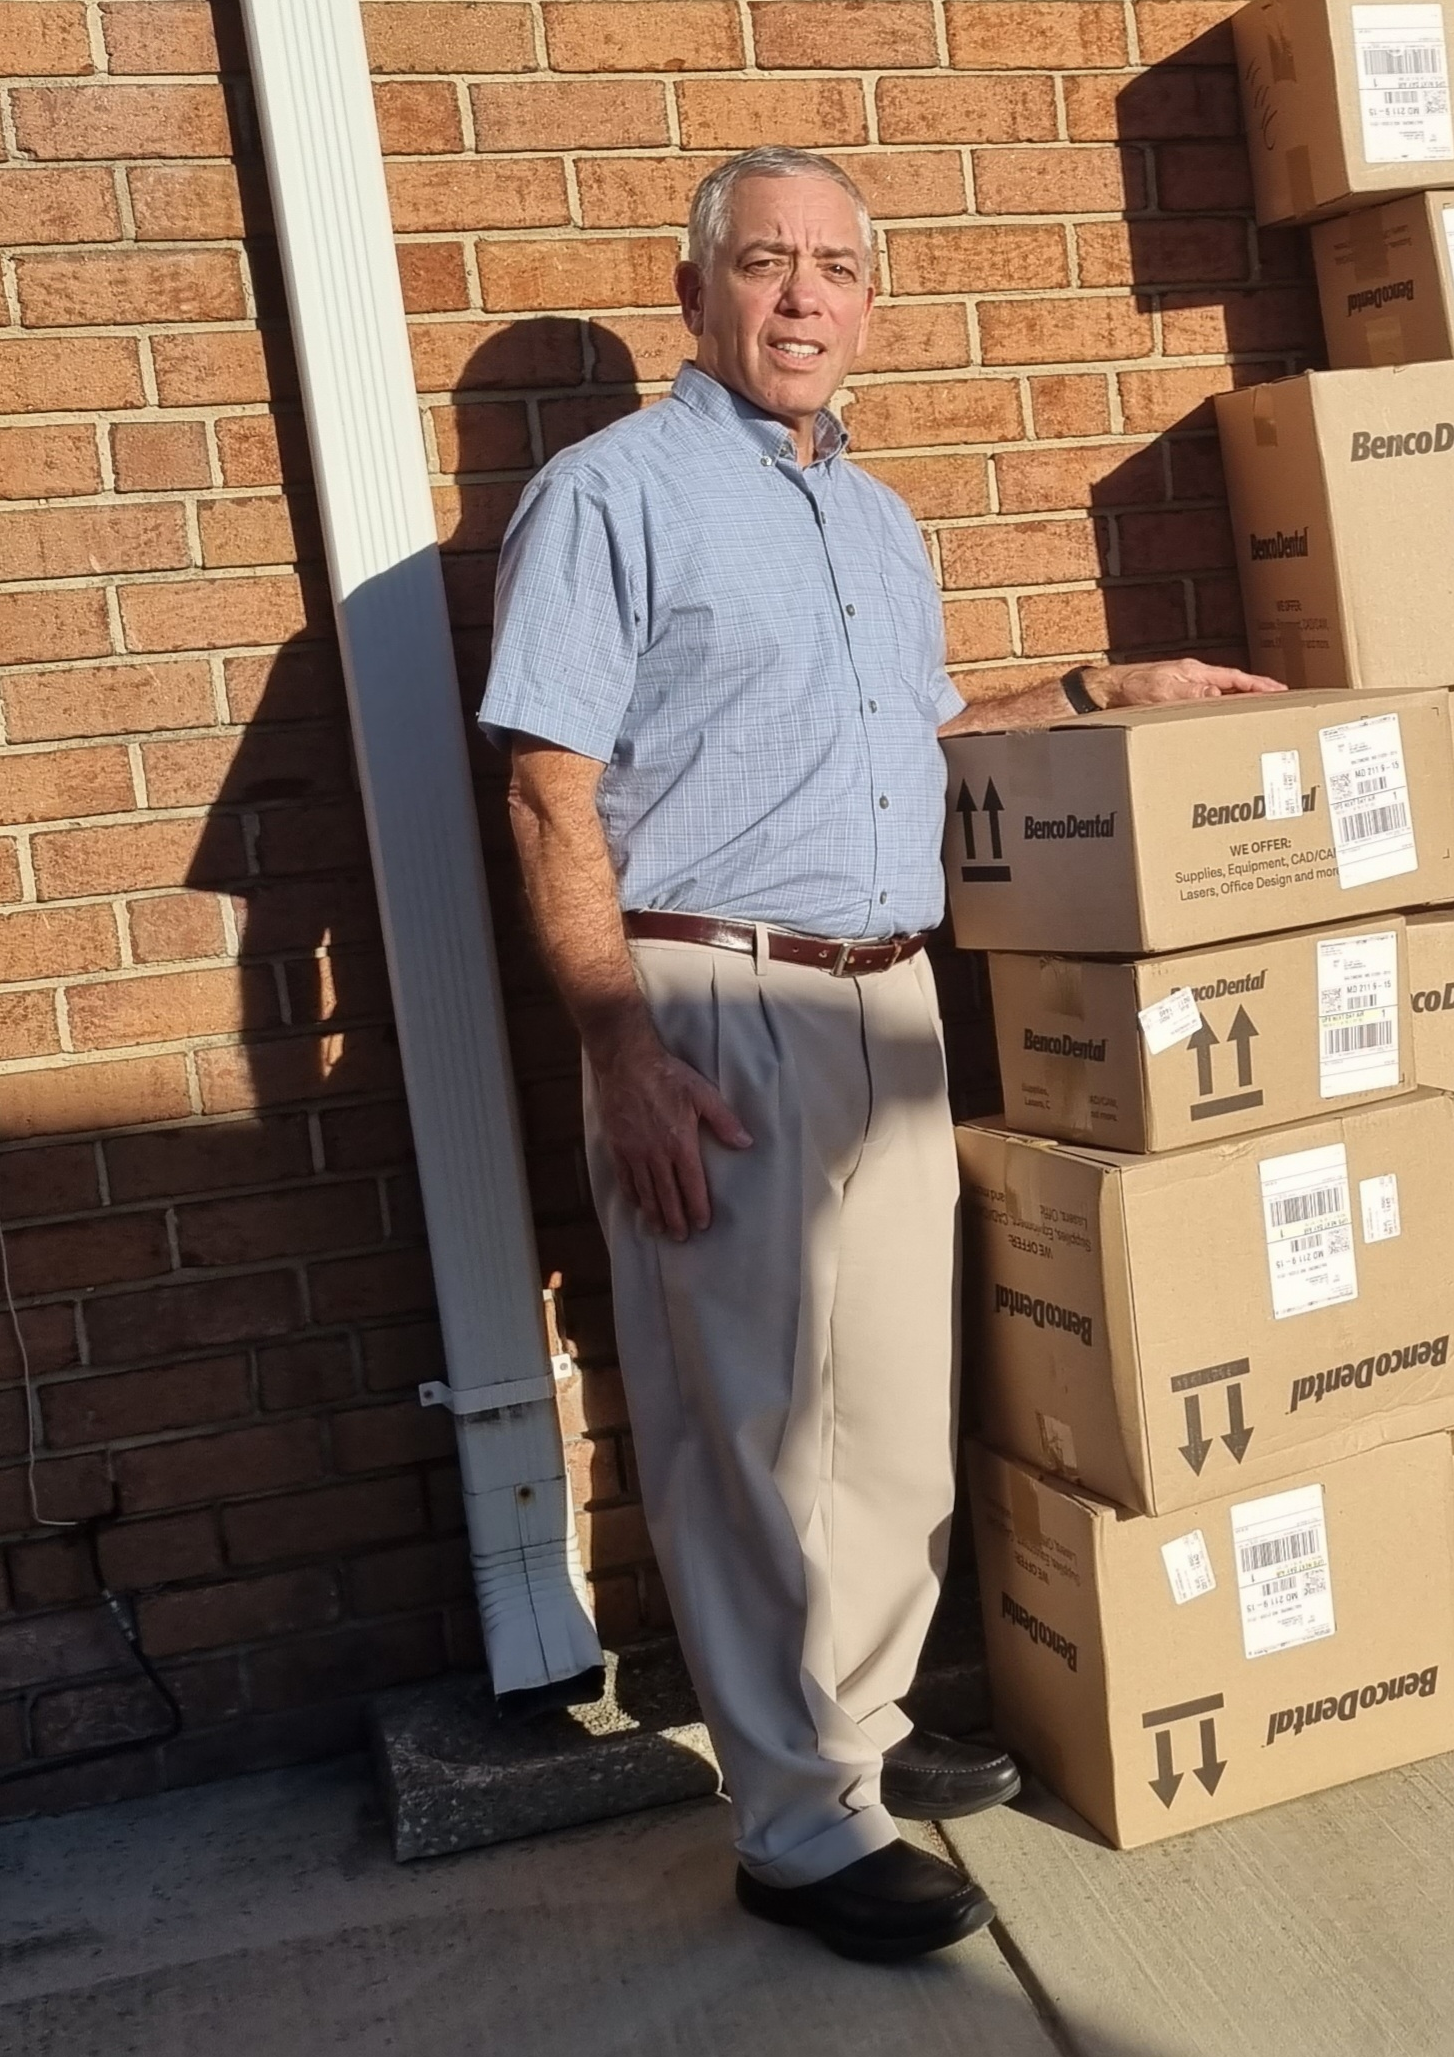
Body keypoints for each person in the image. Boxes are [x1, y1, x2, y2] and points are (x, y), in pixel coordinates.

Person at [478, 146, 1278, 1962]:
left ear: (870, 302)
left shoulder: (877, 518)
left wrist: (1100, 692)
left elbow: (912, 737)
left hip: (889, 996)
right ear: (694, 291)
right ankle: (793, 1824)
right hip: (712, 1000)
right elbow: (547, 787)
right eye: (765, 264)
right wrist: (616, 1044)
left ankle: (849, 1736)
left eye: (833, 268)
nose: (801, 299)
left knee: (893, 1427)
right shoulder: (612, 499)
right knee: (748, 1432)